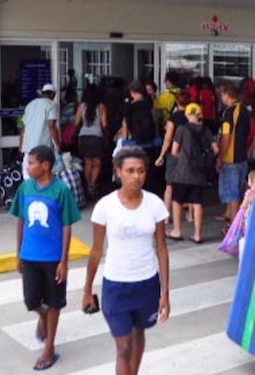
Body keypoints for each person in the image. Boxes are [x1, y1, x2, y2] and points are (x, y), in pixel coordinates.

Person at [83, 146, 170, 375]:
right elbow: (96, 250)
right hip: (116, 285)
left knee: (139, 334)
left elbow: (162, 249)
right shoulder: (105, 206)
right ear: (118, 171)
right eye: (130, 170)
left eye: (141, 171)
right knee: (123, 346)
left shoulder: (155, 205)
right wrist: (87, 289)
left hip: (147, 283)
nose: (136, 176)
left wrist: (165, 293)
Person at [10, 145, 81, 371]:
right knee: (31, 300)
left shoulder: (61, 190)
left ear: (45, 165)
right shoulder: (25, 188)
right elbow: (20, 220)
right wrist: (18, 253)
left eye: (31, 163)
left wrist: (64, 261)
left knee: (54, 302)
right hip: (30, 255)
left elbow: (67, 225)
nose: (27, 167)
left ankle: (49, 348)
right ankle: (42, 318)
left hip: (52, 258)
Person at [166, 103, 217, 244]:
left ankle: (177, 230)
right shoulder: (206, 130)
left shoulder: (182, 129)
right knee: (197, 202)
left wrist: (184, 156)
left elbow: (174, 151)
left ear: (187, 114)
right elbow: (216, 149)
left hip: (183, 171)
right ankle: (197, 235)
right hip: (200, 173)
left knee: (177, 201)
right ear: (199, 114)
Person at [216, 82, 250, 223]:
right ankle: (230, 214)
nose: (221, 98)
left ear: (227, 95)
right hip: (242, 155)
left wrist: (220, 157)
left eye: (222, 95)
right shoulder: (245, 110)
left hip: (231, 158)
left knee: (232, 193)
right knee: (237, 189)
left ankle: (233, 227)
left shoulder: (229, 113)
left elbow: (226, 137)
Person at [121, 80, 161, 197]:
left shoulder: (130, 107)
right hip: (151, 142)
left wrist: (125, 140)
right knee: (149, 170)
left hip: (136, 142)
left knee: (135, 168)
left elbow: (125, 124)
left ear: (132, 92)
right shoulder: (150, 103)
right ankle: (151, 193)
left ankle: (137, 192)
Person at [156, 90, 191, 217]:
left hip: (174, 153)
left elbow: (168, 137)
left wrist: (161, 155)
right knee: (188, 184)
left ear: (176, 101)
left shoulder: (174, 118)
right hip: (189, 153)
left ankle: (166, 215)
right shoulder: (193, 116)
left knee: (170, 184)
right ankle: (190, 215)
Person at [20, 83, 61, 179]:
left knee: (28, 177)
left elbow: (23, 128)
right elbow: (52, 127)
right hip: (43, 148)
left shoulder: (30, 105)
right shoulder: (52, 105)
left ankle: (29, 193)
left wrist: (21, 145)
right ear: (53, 94)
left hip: (28, 147)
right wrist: (58, 145)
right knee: (42, 176)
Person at [75, 83, 108, 198]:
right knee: (97, 163)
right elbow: (104, 124)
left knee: (88, 162)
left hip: (83, 136)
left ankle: (88, 185)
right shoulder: (101, 106)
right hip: (96, 137)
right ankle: (92, 185)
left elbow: (76, 122)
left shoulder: (81, 106)